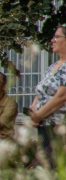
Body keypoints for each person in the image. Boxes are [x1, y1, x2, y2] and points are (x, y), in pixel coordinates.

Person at [28, 25, 66, 166]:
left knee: (55, 168)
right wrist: (33, 110)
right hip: (44, 125)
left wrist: (39, 115)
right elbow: (41, 90)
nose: (52, 40)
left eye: (57, 37)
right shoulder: (52, 66)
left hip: (59, 127)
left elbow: (61, 96)